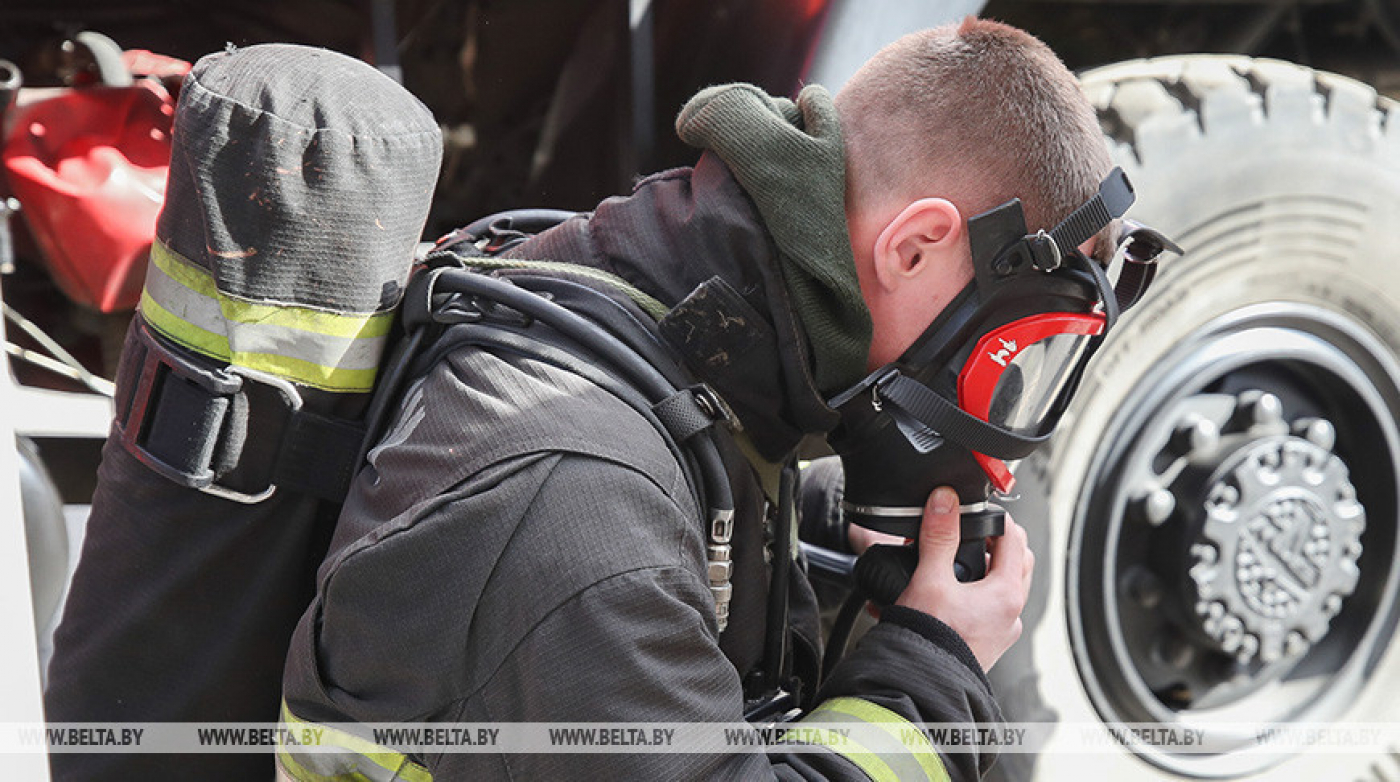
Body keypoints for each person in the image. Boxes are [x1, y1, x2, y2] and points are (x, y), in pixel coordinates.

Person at [276, 19, 1115, 781]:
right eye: (1002, 351)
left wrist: (813, 536)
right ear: (916, 245)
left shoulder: (676, 306)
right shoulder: (581, 508)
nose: (989, 401)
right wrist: (934, 670)